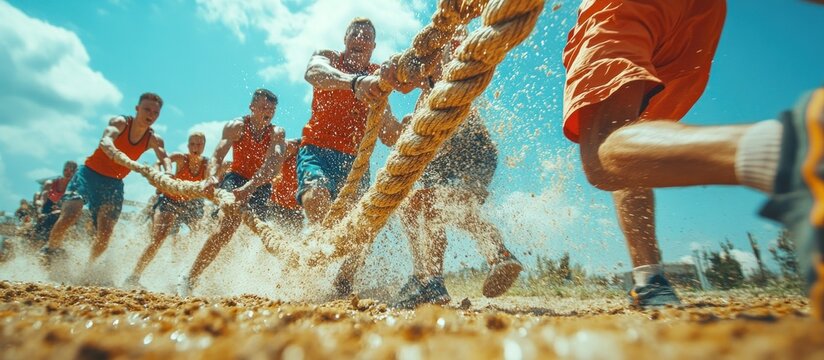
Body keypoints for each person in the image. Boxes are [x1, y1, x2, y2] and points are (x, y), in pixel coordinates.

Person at [394, 34, 522, 308]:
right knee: (418, 208)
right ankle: (429, 280)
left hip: (472, 149)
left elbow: (457, 38)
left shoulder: (447, 63)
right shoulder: (422, 100)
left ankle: (494, 256)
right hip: (440, 158)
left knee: (447, 206)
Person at [299, 17, 404, 295]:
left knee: (365, 225)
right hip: (317, 151)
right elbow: (312, 72)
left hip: (355, 163)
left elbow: (389, 135)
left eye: (367, 36)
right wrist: (354, 83)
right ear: (345, 40)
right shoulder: (329, 58)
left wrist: (417, 122)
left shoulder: (377, 78)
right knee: (317, 195)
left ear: (373, 46)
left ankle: (343, 284)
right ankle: (311, 263)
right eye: (355, 33)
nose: (360, 38)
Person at [39, 93, 172, 284]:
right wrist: (113, 151)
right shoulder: (120, 122)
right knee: (70, 213)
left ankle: (88, 269)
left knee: (105, 233)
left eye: (155, 112)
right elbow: (107, 139)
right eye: (146, 109)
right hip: (89, 174)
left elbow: (164, 158)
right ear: (137, 109)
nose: (150, 114)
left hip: (113, 183)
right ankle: (50, 250)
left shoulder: (154, 139)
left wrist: (167, 173)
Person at [177, 89, 287, 296]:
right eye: (264, 107)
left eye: (272, 109)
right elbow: (217, 155)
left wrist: (250, 187)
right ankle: (190, 277)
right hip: (235, 178)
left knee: (253, 235)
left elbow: (273, 164)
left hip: (260, 184)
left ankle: (231, 280)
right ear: (251, 107)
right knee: (226, 228)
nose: (268, 113)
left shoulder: (277, 132)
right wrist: (211, 177)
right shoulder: (237, 126)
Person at [124, 132, 208, 288]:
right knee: (158, 239)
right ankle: (133, 276)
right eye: (192, 144)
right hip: (171, 200)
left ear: (204, 145)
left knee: (200, 235)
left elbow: (216, 174)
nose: (195, 148)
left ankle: (189, 277)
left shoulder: (207, 164)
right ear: (188, 145)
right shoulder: (180, 158)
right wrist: (159, 174)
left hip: (193, 203)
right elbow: (161, 161)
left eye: (199, 144)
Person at [30, 161, 78, 243]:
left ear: (75, 172)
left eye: (71, 170)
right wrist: (39, 211)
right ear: (63, 170)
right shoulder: (51, 183)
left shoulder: (75, 188)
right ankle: (36, 240)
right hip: (46, 210)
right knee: (44, 218)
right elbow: (42, 198)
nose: (68, 172)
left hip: (62, 212)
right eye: (66, 170)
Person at [268, 138, 303, 233]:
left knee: (292, 241)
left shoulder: (317, 158)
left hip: (296, 210)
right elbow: (284, 145)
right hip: (276, 203)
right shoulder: (295, 146)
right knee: (272, 235)